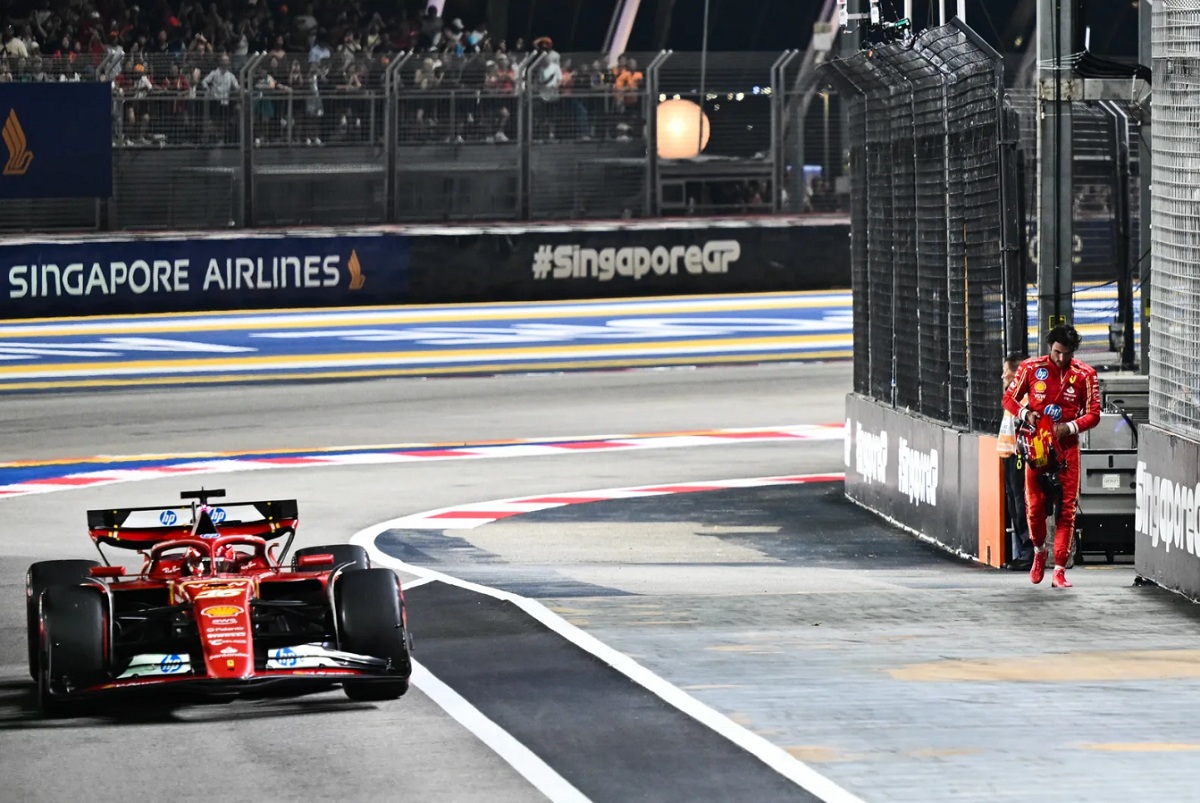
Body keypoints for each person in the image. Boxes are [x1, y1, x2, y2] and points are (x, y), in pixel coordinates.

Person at [1002, 324, 1101, 588]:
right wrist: (1027, 414)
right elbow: (1009, 399)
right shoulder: (1031, 368)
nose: (1060, 358)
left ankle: (1059, 571)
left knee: (1066, 511)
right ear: (1050, 347)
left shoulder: (1085, 374)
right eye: (1057, 352)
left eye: (1066, 354)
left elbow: (1094, 414)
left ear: (1073, 352)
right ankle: (1038, 553)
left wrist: (1068, 427)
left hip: (1067, 449)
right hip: (1037, 447)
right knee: (1034, 507)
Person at [999, 352, 1034, 570]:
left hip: (1020, 455)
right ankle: (1023, 549)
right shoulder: (1011, 398)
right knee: (1014, 502)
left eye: (1006, 372)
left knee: (1021, 502)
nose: (1003, 376)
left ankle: (1029, 550)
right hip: (1009, 456)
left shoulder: (1027, 399)